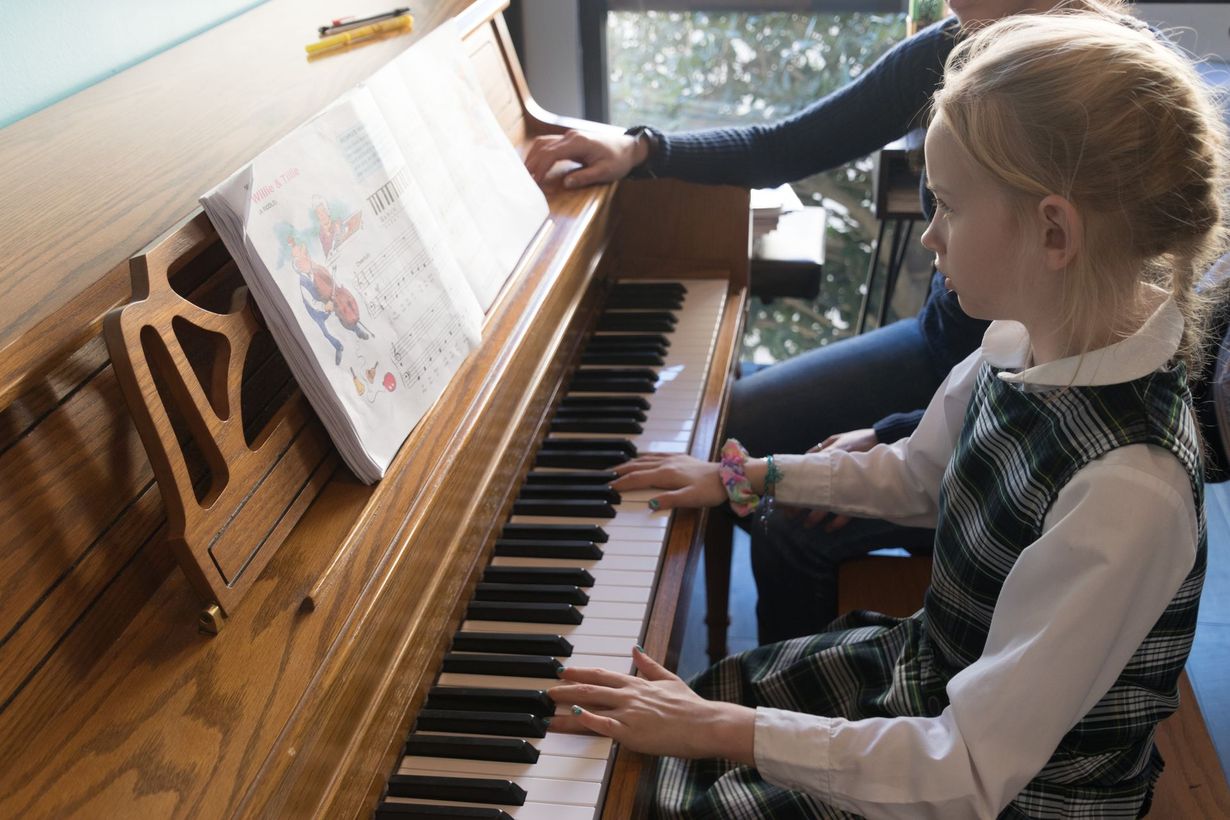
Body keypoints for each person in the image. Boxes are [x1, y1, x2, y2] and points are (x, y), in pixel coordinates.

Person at [548, 13, 1227, 817]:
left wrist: (723, 732)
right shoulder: (1019, 340)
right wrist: (742, 477)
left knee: (674, 781)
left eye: (946, 206)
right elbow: (915, 476)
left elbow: (969, 769)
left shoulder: (1129, 491)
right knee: (692, 719)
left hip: (1008, 786)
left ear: (1054, 231)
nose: (930, 238)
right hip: (939, 681)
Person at [525, 0, 1148, 643]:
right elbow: (787, 145)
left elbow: (1090, 371)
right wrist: (643, 148)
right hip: (958, 352)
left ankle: (811, 694)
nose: (932, 238)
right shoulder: (951, 45)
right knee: (736, 422)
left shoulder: (1114, 87)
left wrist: (893, 434)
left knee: (788, 526)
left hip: (1046, 400)